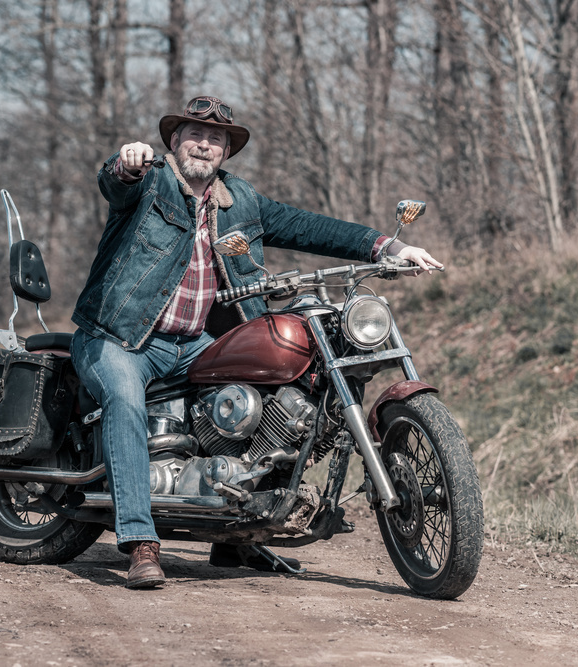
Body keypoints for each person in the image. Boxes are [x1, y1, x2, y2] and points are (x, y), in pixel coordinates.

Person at [70, 95, 443, 588]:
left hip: (193, 343)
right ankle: (141, 540)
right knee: (124, 399)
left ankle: (239, 537)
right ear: (174, 141)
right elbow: (114, 184)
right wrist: (126, 162)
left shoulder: (239, 200)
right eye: (195, 135)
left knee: (272, 395)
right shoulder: (150, 183)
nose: (205, 144)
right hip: (121, 338)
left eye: (216, 139)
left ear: (226, 151)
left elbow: (312, 227)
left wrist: (391, 247)